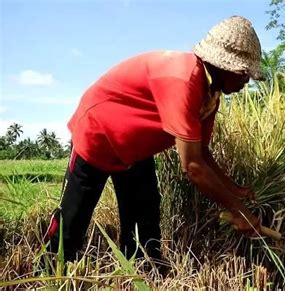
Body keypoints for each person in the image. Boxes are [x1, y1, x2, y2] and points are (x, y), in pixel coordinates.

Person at [45, 16, 264, 263]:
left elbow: (201, 152)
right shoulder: (184, 79)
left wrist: (234, 190)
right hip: (98, 134)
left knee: (144, 223)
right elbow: (192, 166)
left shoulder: (210, 94)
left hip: (136, 147)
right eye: (244, 73)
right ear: (226, 66)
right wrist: (237, 210)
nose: (247, 81)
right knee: (73, 219)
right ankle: (50, 270)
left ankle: (143, 272)